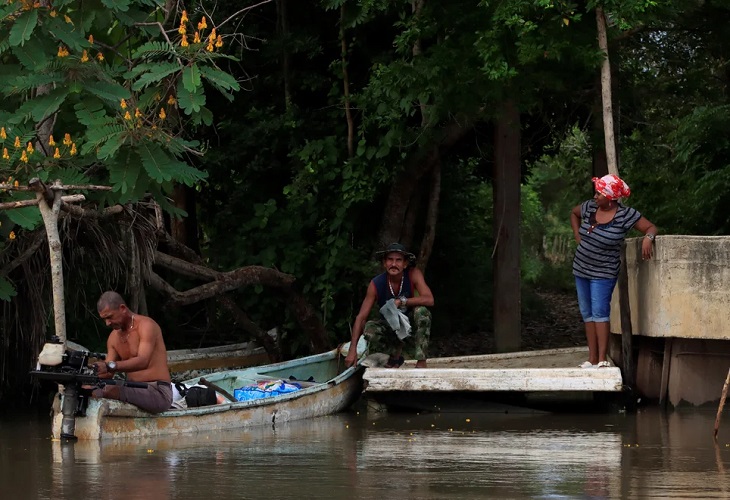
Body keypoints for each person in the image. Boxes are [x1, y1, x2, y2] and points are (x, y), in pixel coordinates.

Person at [570, 174, 657, 368]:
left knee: (600, 312)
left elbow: (650, 227)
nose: (595, 196)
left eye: (600, 193)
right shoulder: (589, 207)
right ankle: (591, 359)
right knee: (587, 313)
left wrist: (648, 238)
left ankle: (602, 359)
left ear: (610, 198)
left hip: (604, 272)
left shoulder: (626, 215)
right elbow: (574, 213)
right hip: (581, 268)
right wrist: (577, 234)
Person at [345, 243, 434, 369]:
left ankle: (421, 361)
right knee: (370, 328)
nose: (394, 264)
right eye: (390, 260)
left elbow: (429, 299)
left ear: (405, 264)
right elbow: (361, 317)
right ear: (384, 263)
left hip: (410, 326)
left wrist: (402, 302)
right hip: (390, 326)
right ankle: (390, 359)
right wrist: (352, 349)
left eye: (398, 260)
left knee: (422, 312)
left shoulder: (413, 274)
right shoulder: (376, 284)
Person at [90, 291, 173, 413]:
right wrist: (89, 372)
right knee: (86, 390)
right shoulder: (113, 337)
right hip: (131, 388)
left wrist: (109, 366)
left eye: (109, 317)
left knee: (111, 389)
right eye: (104, 319)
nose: (107, 323)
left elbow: (143, 361)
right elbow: (107, 373)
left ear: (122, 308)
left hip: (158, 391)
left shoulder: (146, 326)